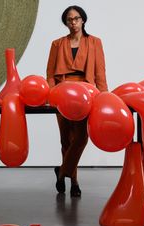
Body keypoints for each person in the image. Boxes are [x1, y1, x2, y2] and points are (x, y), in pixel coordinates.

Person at [46, 5, 108, 197]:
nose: (73, 22)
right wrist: (50, 95)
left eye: (76, 18)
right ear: (66, 23)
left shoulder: (95, 42)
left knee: (81, 137)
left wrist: (104, 97)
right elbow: (50, 73)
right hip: (61, 93)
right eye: (69, 19)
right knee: (65, 139)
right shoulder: (57, 44)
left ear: (83, 20)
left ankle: (62, 171)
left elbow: (100, 72)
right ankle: (73, 182)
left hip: (86, 93)